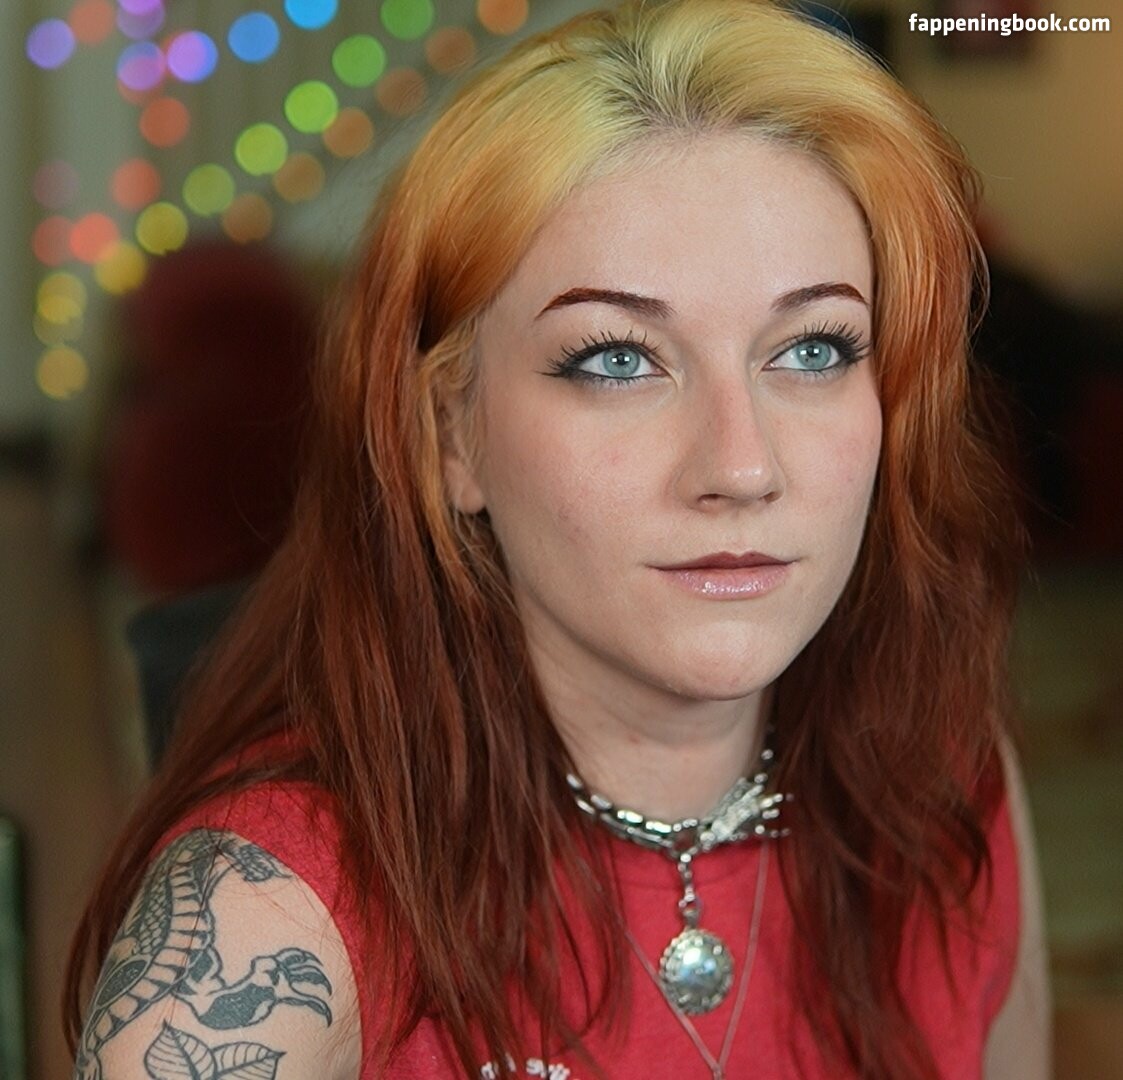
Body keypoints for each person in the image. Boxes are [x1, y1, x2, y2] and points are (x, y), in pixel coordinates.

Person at [64, 1, 1051, 1077]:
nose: (741, 467)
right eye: (617, 359)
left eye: (812, 349)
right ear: (451, 434)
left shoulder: (940, 780)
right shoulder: (258, 935)